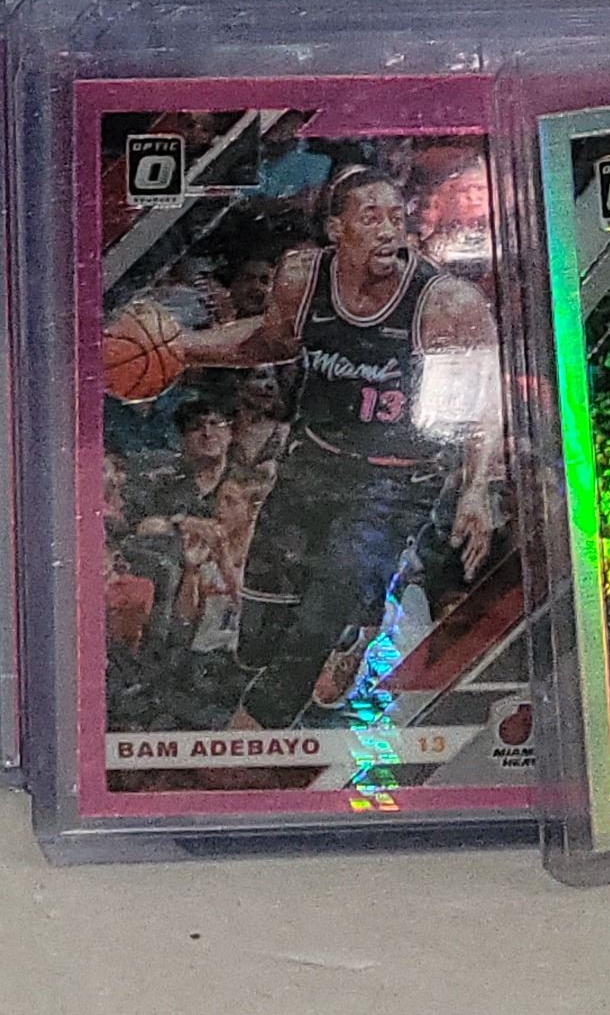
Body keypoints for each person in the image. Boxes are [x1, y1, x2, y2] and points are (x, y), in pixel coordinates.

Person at [170, 167, 501, 729]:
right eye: (370, 218)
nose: (387, 230)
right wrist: (183, 348)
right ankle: (350, 629)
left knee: (314, 626)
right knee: (257, 641)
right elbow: (269, 341)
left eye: (396, 218)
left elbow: (483, 400)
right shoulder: (302, 277)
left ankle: (244, 749)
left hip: (394, 482)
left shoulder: (445, 303)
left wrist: (475, 490)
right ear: (336, 229)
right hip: (313, 461)